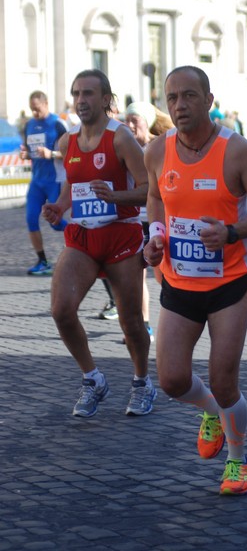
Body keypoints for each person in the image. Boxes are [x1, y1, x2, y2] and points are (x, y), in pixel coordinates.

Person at [143, 65, 247, 495]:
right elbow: (154, 196)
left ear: (208, 99)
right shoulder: (157, 151)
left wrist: (232, 233)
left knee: (224, 380)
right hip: (178, 282)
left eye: (189, 96)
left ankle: (239, 461)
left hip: (228, 283)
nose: (180, 105)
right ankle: (210, 413)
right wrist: (155, 236)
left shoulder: (236, 151)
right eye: (172, 98)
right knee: (171, 381)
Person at [42, 69, 156, 418]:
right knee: (62, 310)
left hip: (121, 235)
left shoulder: (121, 138)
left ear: (106, 99)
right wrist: (60, 206)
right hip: (82, 236)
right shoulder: (67, 141)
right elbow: (71, 184)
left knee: (132, 322)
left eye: (89, 93)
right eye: (76, 93)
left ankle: (141, 382)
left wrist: (115, 195)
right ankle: (92, 378)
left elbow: (149, 191)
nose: (81, 100)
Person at [98, 101, 172, 342]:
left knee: (164, 276)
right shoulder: (122, 147)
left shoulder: (160, 147)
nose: (129, 125)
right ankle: (145, 326)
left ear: (147, 122)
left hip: (159, 221)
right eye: (126, 119)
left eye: (135, 120)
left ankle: (177, 316)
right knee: (136, 278)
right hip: (132, 223)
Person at [20, 91, 68, 275]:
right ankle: (43, 261)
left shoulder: (57, 124)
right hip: (37, 181)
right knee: (31, 219)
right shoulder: (29, 125)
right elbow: (28, 150)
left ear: (46, 104)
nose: (35, 113)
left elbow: (72, 152)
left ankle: (79, 234)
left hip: (54, 179)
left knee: (55, 223)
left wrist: (52, 154)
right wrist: (24, 155)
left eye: (37, 109)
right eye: (32, 110)